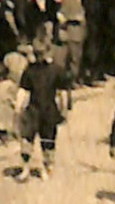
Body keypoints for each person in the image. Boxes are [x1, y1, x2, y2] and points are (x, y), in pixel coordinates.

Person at [14, 34, 74, 180]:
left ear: (48, 52)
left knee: (48, 140)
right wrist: (18, 108)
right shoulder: (30, 70)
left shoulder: (56, 70)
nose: (39, 56)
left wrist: (64, 109)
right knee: (26, 139)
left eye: (41, 53)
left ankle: (48, 167)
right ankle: (25, 168)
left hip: (49, 109)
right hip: (33, 109)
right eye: (36, 53)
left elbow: (62, 92)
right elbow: (24, 90)